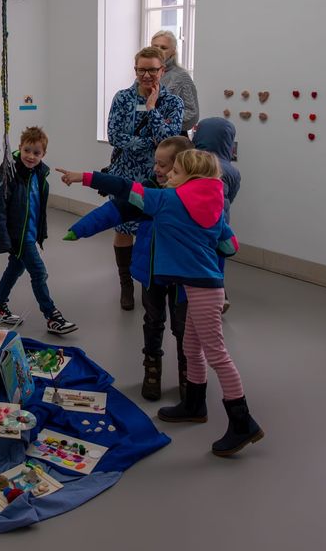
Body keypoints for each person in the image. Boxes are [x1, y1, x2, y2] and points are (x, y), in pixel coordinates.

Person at [57, 150, 263, 457]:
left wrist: (83, 177)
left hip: (203, 291)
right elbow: (229, 246)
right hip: (202, 286)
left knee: (216, 354)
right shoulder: (216, 205)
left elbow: (124, 188)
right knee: (192, 347)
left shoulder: (167, 201)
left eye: (175, 172)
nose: (167, 176)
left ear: (191, 177)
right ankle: (194, 403)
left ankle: (242, 421)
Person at [64, 136, 194, 401]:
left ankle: (188, 373)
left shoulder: (194, 198)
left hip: (184, 277)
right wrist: (80, 229)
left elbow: (217, 235)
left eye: (164, 165)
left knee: (183, 328)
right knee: (153, 321)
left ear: (184, 167)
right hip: (152, 274)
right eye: (156, 163)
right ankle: (152, 369)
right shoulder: (149, 191)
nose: (157, 169)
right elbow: (116, 209)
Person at [106, 47, 183, 311]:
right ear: (135, 70)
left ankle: (148, 283)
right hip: (125, 176)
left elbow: (168, 141)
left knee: (153, 232)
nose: (147, 75)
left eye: (153, 69)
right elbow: (115, 137)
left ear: (162, 70)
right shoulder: (122, 98)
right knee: (124, 230)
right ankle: (125, 283)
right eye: (142, 70)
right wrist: (148, 142)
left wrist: (151, 109)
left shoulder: (173, 103)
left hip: (159, 179)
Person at [0, 126, 76, 335]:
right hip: (18, 236)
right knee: (39, 272)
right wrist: (1, 239)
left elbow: (37, 209)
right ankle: (52, 316)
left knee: (15, 268)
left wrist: (39, 233)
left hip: (30, 233)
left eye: (36, 153)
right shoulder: (9, 172)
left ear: (43, 155)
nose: (30, 156)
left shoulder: (40, 175)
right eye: (27, 150)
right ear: (20, 148)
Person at [192, 117, 241, 313]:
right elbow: (232, 195)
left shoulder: (190, 162)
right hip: (218, 223)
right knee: (217, 258)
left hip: (192, 222)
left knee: (193, 258)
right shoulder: (230, 170)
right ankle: (219, 293)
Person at [150, 30, 199, 135]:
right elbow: (137, 105)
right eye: (155, 47)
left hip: (173, 139)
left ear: (173, 51)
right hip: (145, 137)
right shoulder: (143, 76)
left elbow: (192, 114)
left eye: (163, 48)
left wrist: (165, 121)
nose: (158, 51)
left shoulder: (181, 77)